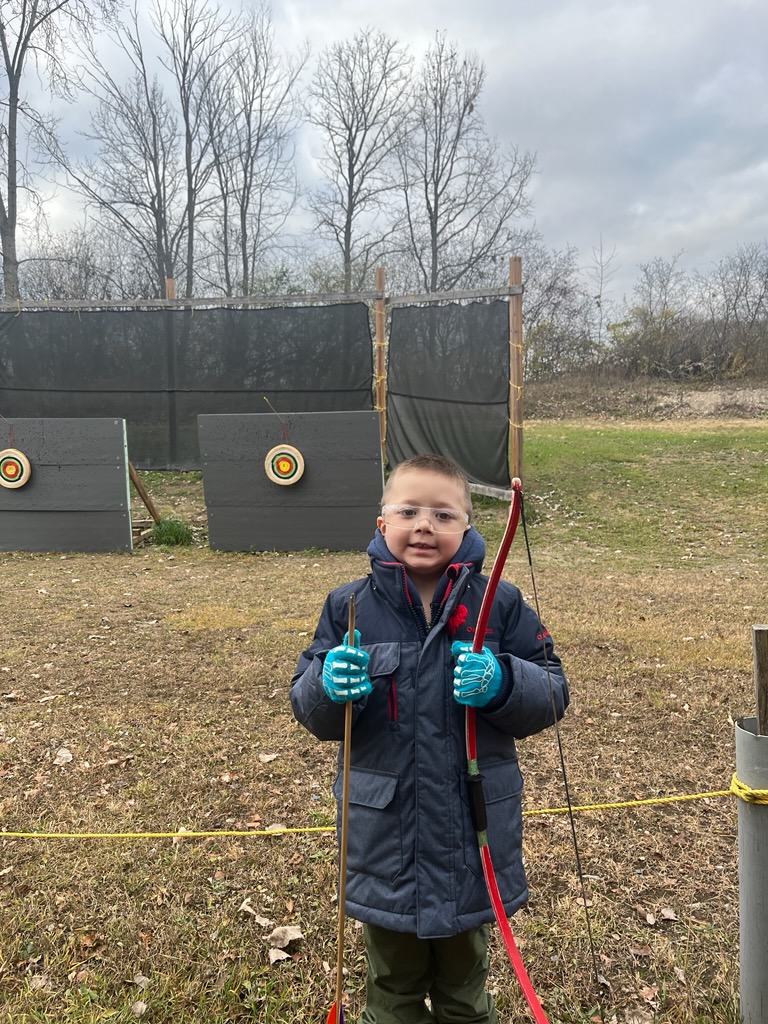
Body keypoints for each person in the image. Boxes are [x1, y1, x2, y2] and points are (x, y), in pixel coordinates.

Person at [291, 453, 569, 1024]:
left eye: (444, 515)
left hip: (472, 835)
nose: (424, 525)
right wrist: (328, 686)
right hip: (382, 838)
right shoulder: (349, 605)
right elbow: (310, 707)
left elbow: (554, 688)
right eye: (409, 511)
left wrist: (503, 682)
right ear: (381, 524)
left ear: (468, 529)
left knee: (465, 991)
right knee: (391, 989)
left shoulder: (501, 603)